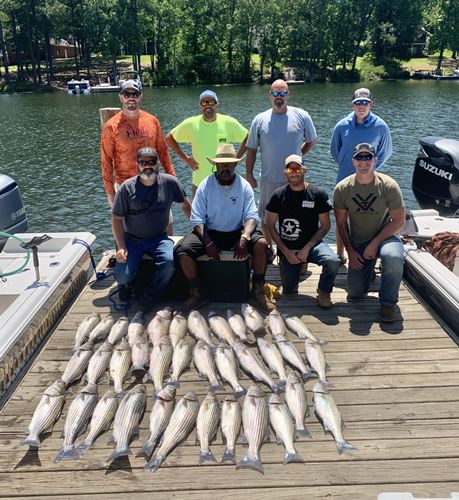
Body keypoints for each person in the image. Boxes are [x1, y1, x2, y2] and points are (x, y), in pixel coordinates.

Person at [174, 143, 275, 313]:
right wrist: (208, 242)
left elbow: (251, 216)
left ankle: (257, 290)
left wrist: (245, 237)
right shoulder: (205, 185)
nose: (225, 168)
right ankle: (197, 292)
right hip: (210, 231)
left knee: (262, 244)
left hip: (237, 231)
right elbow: (196, 218)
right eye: (222, 164)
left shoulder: (244, 186)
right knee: (182, 251)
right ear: (216, 165)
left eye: (229, 164)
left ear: (235, 165)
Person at [112, 147, 191, 312]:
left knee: (169, 263)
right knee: (122, 275)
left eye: (152, 162)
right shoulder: (126, 188)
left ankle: (152, 295)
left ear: (158, 164)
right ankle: (125, 285)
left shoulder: (170, 182)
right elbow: (117, 219)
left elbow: (185, 205)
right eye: (143, 163)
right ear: (137, 165)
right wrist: (121, 246)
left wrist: (198, 229)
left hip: (159, 238)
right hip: (132, 240)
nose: (147, 166)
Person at [333, 143, 405, 323]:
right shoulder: (342, 188)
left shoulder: (388, 185)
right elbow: (341, 223)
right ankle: (368, 270)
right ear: (353, 161)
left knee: (393, 257)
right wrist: (350, 251)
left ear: (375, 160)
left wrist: (374, 243)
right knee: (355, 293)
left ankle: (388, 304)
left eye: (368, 157)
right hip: (358, 242)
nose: (363, 162)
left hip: (385, 237)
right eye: (359, 157)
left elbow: (398, 220)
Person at [246, 79, 317, 245]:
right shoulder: (259, 119)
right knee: (266, 218)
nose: (279, 97)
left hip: (295, 178)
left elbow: (312, 141)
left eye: (283, 93)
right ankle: (270, 249)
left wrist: (299, 155)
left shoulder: (302, 116)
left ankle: (295, 248)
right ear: (270, 95)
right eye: (275, 93)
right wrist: (249, 174)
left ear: (288, 95)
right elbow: (251, 149)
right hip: (268, 178)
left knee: (298, 215)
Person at [266, 154, 341, 308]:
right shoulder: (278, 195)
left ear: (304, 170)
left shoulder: (318, 194)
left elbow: (325, 226)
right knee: (289, 291)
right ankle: (299, 264)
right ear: (285, 172)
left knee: (333, 261)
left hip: (312, 245)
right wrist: (286, 252)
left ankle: (324, 291)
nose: (294, 172)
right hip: (288, 249)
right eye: (290, 168)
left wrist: (306, 249)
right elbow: (270, 225)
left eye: (297, 168)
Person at [330, 87, 393, 263]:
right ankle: (340, 254)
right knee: (342, 218)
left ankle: (368, 254)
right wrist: (349, 166)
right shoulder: (341, 126)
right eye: (358, 102)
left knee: (368, 217)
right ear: (353, 104)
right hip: (344, 178)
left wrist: (368, 168)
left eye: (365, 102)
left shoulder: (381, 126)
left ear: (371, 104)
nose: (361, 106)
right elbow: (335, 151)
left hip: (369, 181)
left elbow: (386, 152)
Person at [101, 80, 175, 208]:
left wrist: (172, 179)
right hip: (125, 188)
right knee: (128, 227)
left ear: (141, 96)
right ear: (120, 97)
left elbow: (163, 151)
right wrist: (110, 192)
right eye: (126, 94)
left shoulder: (152, 121)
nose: (131, 98)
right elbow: (106, 160)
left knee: (164, 224)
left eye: (135, 94)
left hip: (153, 184)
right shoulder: (110, 127)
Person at [166, 90, 248, 196]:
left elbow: (248, 137)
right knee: (199, 213)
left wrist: (235, 159)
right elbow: (169, 138)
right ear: (200, 106)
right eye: (204, 103)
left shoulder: (228, 122)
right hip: (199, 183)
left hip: (224, 182)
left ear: (217, 105)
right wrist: (186, 158)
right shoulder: (191, 123)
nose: (207, 106)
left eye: (211, 102)